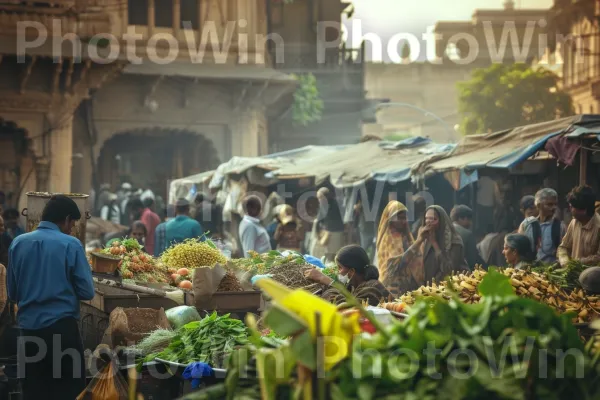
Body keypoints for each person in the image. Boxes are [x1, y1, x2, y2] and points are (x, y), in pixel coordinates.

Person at [7, 195, 94, 400]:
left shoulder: (18, 243)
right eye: (72, 222)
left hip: (28, 333)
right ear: (65, 219)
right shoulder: (71, 245)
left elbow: (12, 293)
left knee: (33, 392)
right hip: (62, 332)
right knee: (68, 392)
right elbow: (87, 291)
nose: (72, 227)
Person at [386, 205, 467, 293]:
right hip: (426, 290)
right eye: (426, 219)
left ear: (442, 222)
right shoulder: (424, 238)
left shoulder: (454, 241)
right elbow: (402, 264)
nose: (429, 222)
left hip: (449, 291)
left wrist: (434, 243)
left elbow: (449, 270)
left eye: (433, 219)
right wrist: (419, 240)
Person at [304, 245, 391, 306]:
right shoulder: (353, 287)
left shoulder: (372, 289)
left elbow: (344, 306)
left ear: (352, 271)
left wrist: (327, 281)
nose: (338, 272)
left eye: (340, 268)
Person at [375, 201, 417, 296]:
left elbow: (416, 255)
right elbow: (397, 264)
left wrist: (408, 233)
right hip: (392, 287)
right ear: (390, 219)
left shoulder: (403, 235)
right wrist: (419, 241)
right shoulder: (390, 238)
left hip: (405, 286)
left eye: (405, 217)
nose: (404, 221)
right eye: (400, 218)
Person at [518, 188, 565, 264]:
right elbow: (519, 250)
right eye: (549, 204)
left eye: (555, 204)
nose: (554, 207)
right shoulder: (526, 225)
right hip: (530, 272)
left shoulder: (560, 227)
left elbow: (564, 252)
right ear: (539, 205)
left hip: (552, 271)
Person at [557, 185, 600, 266]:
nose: (570, 210)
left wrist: (576, 263)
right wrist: (565, 261)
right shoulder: (574, 222)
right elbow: (563, 247)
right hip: (572, 273)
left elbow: (598, 258)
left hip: (592, 276)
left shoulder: (598, 227)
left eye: (572, 207)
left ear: (583, 210)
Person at [313, 188, 345, 261]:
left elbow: (342, 218)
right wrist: (319, 232)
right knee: (326, 252)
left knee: (335, 253)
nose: (319, 200)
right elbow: (319, 219)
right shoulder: (322, 205)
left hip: (336, 231)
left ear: (327, 196)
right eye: (318, 198)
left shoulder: (336, 204)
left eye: (321, 197)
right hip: (327, 231)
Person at [450, 205, 485, 270]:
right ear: (461, 218)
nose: (471, 223)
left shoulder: (444, 231)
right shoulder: (467, 234)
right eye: (469, 219)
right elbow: (473, 259)